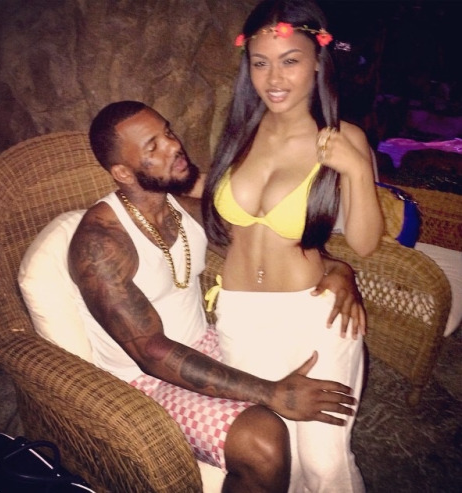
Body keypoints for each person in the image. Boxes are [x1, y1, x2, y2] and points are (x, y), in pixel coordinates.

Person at [68, 100, 366, 493]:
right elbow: (150, 353)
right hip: (144, 380)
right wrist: (271, 392)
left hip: (204, 343)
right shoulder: (99, 244)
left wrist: (336, 268)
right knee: (263, 443)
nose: (174, 146)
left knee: (303, 365)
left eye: (167, 132)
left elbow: (261, 246)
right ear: (123, 172)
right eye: (153, 147)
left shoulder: (179, 208)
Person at [201, 1, 384, 492]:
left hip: (315, 317)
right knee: (277, 458)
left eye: (290, 60)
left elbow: (365, 242)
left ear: (319, 60)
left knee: (325, 464)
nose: (274, 78)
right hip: (241, 317)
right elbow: (207, 201)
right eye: (260, 62)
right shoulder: (239, 133)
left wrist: (357, 170)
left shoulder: (341, 138)